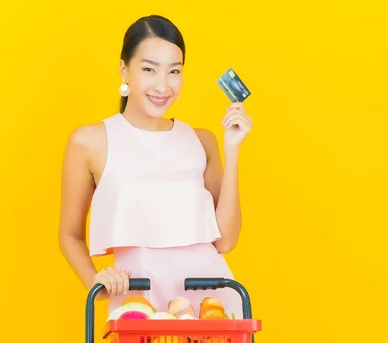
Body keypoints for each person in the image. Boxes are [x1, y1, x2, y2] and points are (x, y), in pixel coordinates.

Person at [58, 15, 253, 319]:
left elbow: (225, 241)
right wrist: (96, 280)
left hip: (211, 304)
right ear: (125, 70)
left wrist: (233, 149)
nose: (163, 86)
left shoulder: (202, 140)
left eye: (174, 71)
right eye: (149, 69)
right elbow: (69, 234)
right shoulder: (90, 141)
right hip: (140, 303)